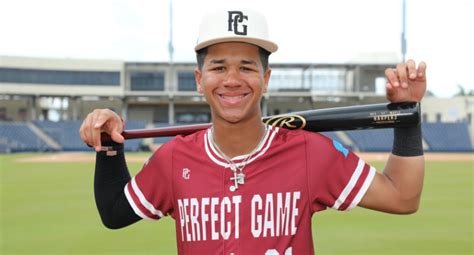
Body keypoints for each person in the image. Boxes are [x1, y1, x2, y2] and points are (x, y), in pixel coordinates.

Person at [79, 8, 426, 255]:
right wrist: (109, 144)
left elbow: (402, 197)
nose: (232, 80)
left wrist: (406, 116)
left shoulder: (311, 152)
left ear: (266, 79)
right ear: (200, 80)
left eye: (247, 67)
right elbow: (114, 213)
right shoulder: (174, 158)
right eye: (218, 67)